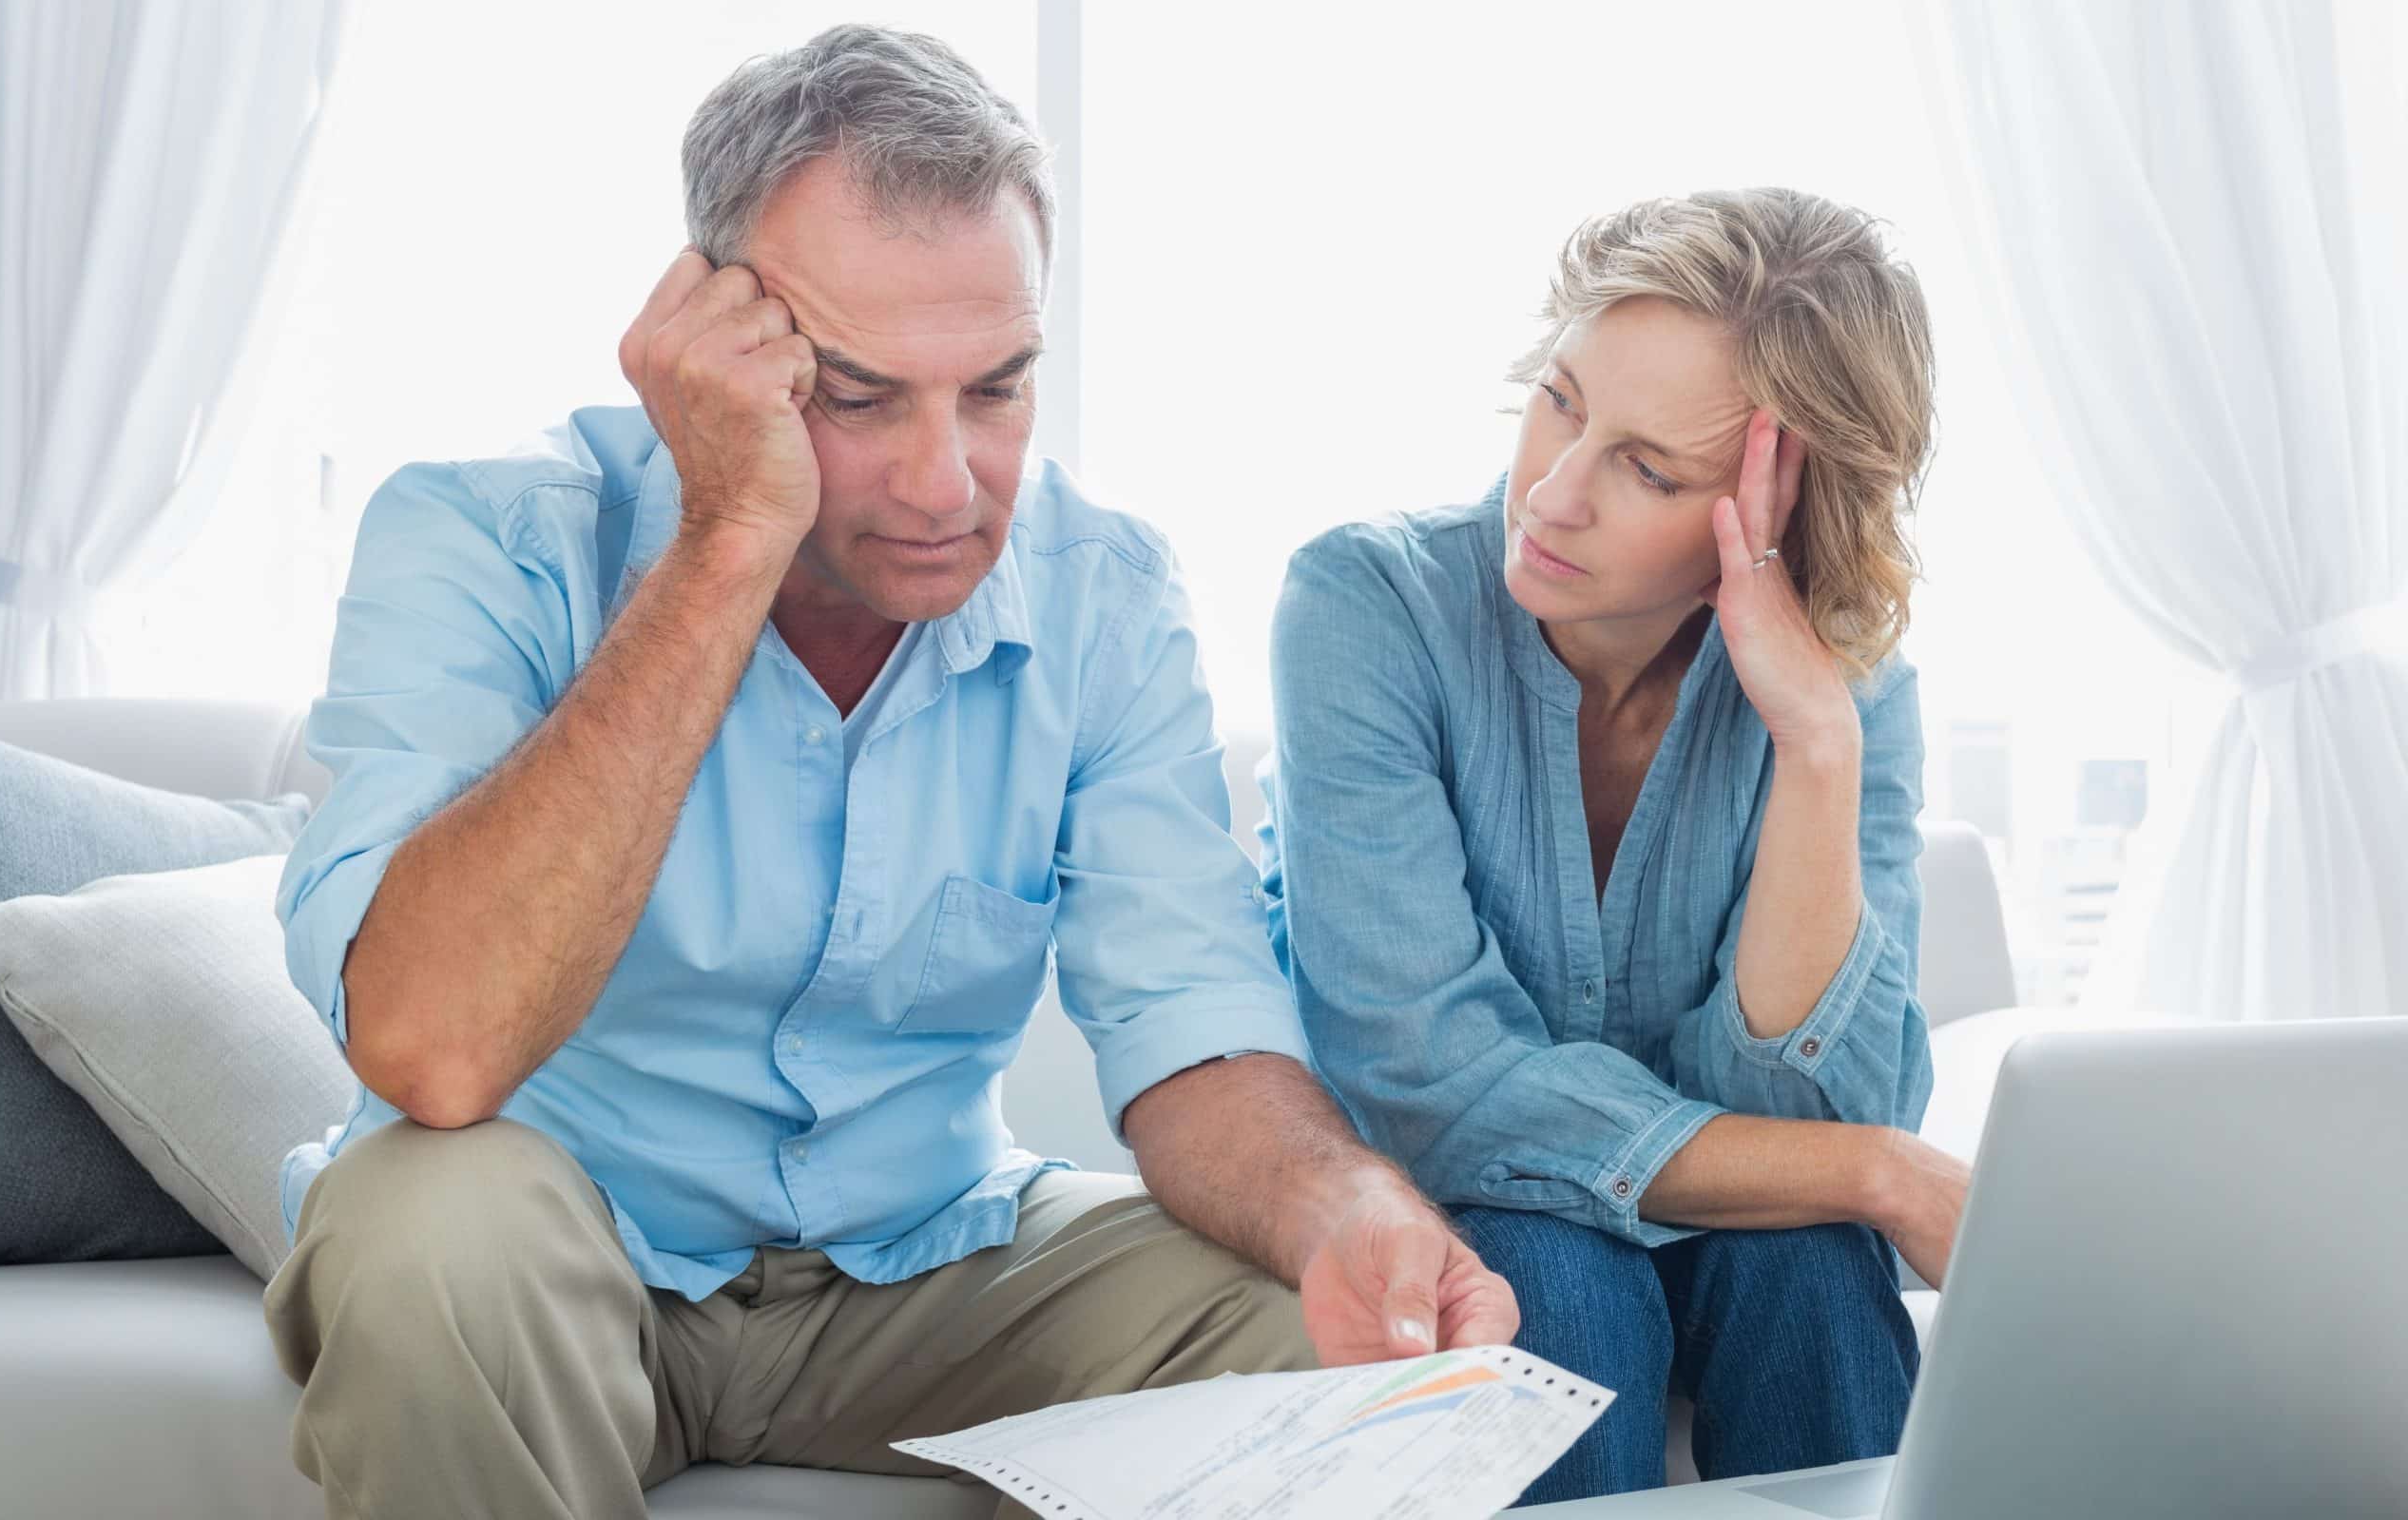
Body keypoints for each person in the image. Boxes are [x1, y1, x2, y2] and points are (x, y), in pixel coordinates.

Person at [259, 25, 1515, 1520]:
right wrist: (726, 540)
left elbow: (1191, 1025)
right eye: (857, 398)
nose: (944, 485)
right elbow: (433, 1052)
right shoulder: (486, 539)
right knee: (417, 1230)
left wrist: (1348, 1208)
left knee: (1336, 1345)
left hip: (933, 1261)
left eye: (995, 391)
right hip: (562, 1252)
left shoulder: (1104, 591)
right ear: (713, 346)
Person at [1257, 188, 1972, 1503]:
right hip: (1450, 1224)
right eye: (1561, 400)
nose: (1552, 492)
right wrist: (1883, 1175)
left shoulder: (1848, 692)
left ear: (1787, 509)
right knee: (1553, 1282)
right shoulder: (1369, 605)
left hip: (1752, 1243)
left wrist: (1815, 748)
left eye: (1648, 470)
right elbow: (1435, 1090)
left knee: (1815, 1270)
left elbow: (1816, 1110)